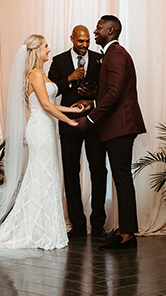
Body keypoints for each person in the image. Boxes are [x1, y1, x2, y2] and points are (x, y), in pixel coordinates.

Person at [0, 34, 81, 252]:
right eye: (46, 46)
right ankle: (35, 228)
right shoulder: (36, 75)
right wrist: (69, 121)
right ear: (37, 50)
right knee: (41, 174)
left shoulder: (42, 75)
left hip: (46, 128)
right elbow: (47, 107)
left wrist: (72, 109)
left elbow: (47, 104)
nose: (49, 49)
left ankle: (44, 227)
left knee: (44, 174)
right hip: (40, 128)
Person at [77, 15, 147, 250]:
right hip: (117, 125)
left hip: (120, 126)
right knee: (121, 179)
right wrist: (92, 101)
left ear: (110, 30)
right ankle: (124, 229)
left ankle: (127, 236)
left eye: (98, 28)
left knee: (122, 179)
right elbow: (111, 92)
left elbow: (115, 93)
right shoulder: (112, 54)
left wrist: (90, 117)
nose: (95, 32)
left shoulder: (115, 55)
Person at [47, 24, 107, 238]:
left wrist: (93, 98)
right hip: (68, 122)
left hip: (93, 122)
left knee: (99, 171)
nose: (84, 45)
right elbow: (50, 91)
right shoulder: (59, 61)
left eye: (87, 41)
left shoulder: (100, 59)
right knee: (71, 173)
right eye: (80, 41)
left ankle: (98, 225)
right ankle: (78, 225)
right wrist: (69, 79)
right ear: (72, 38)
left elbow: (107, 89)